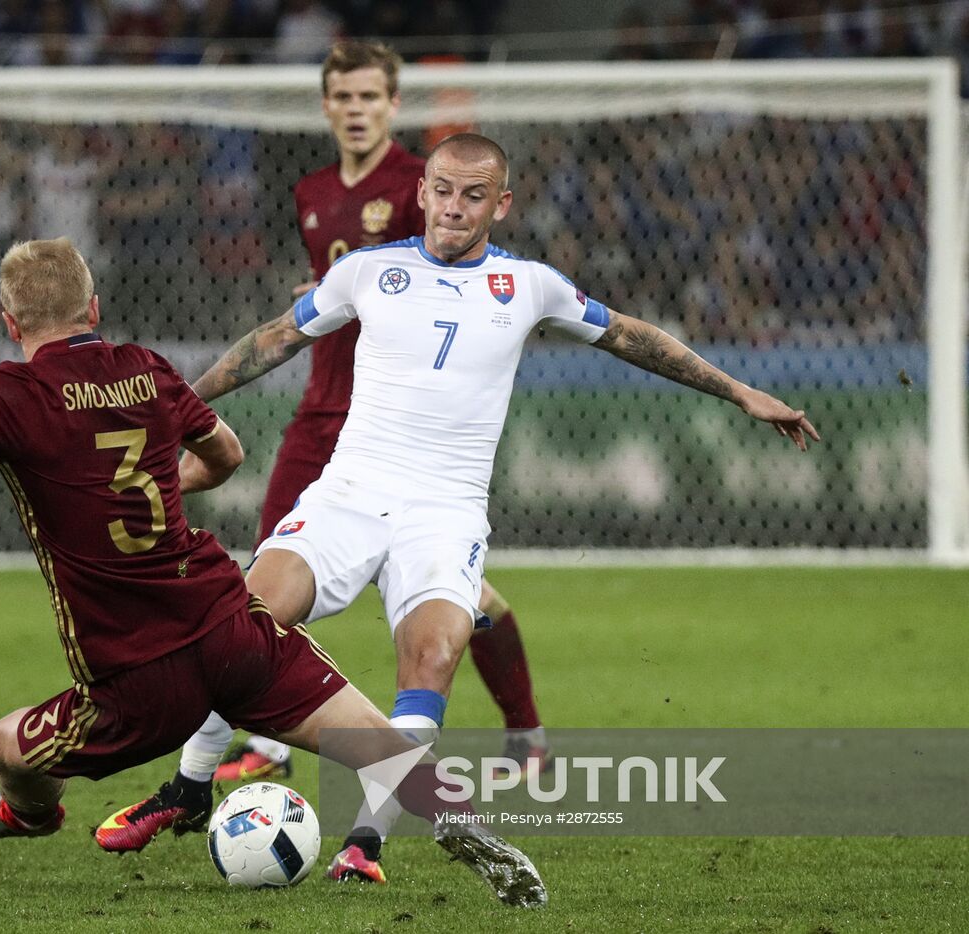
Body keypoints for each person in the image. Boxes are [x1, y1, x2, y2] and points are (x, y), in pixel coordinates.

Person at [0, 237, 549, 907]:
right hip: (231, 626)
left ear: (11, 323)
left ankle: (29, 813)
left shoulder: (11, 394)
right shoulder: (145, 368)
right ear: (94, 304)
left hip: (134, 680)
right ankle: (465, 827)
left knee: (3, 749)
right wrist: (160, 488)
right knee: (382, 748)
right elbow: (229, 452)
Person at [98, 133, 820, 883]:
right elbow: (274, 339)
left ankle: (365, 844)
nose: (454, 205)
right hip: (349, 493)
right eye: (442, 189)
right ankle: (185, 789)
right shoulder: (368, 272)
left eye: (474, 194)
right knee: (242, 624)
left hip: (445, 513)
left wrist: (739, 390)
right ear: (422, 192)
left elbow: (629, 335)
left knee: (435, 654)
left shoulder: (530, 285)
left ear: (500, 203)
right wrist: (176, 405)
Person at [212, 40, 554, 788]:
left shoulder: (419, 186)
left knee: (469, 602)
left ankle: (525, 730)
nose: (358, 111)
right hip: (320, 417)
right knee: (268, 584)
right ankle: (269, 743)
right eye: (345, 97)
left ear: (394, 105)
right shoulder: (309, 191)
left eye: (372, 98)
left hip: (402, 430)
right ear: (327, 105)